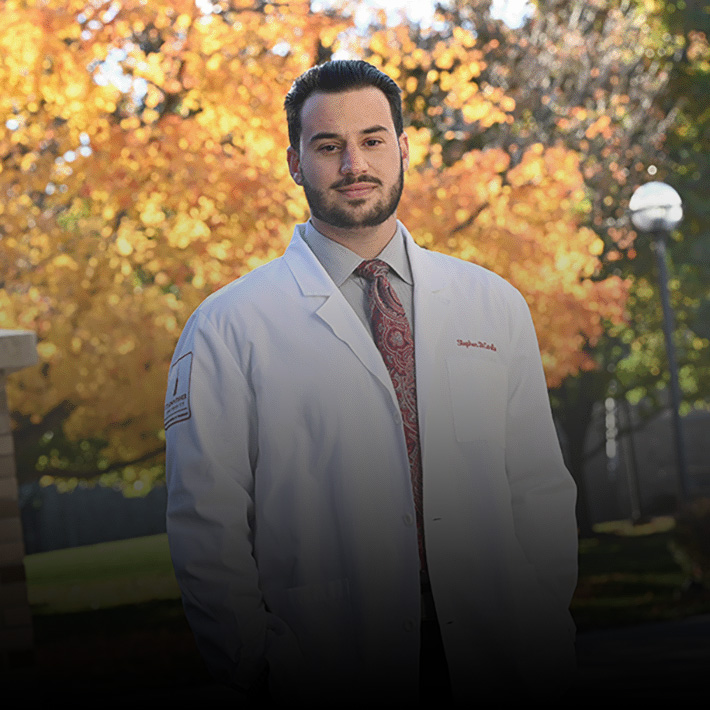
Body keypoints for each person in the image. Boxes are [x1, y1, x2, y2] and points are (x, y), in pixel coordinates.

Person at [164, 59, 578, 705]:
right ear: (295, 162)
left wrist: (547, 614)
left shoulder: (491, 303)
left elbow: (537, 484)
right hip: (325, 659)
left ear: (403, 148)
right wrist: (250, 665)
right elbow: (205, 520)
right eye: (328, 146)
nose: (353, 164)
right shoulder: (228, 326)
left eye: (372, 140)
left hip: (508, 649)